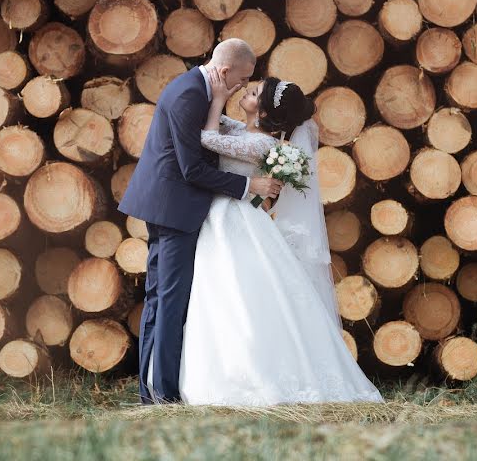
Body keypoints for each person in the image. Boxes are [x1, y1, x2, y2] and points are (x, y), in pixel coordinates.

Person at [177, 74, 384, 406]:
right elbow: (223, 126)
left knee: (234, 291)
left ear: (262, 113)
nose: (247, 90)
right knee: (223, 292)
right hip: (226, 217)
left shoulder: (260, 143)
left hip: (235, 218)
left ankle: (249, 377)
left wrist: (217, 98)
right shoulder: (245, 131)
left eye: (254, 92)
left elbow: (208, 138)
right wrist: (221, 95)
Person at [119, 39, 283, 405]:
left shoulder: (198, 90)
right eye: (241, 81)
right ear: (225, 73)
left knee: (161, 298)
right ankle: (162, 394)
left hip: (170, 205)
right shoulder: (189, 94)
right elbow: (192, 168)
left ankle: (152, 391)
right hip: (175, 208)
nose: (241, 87)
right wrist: (248, 185)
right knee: (169, 301)